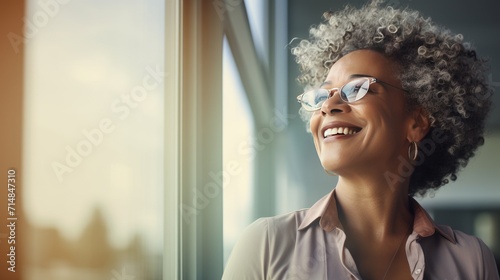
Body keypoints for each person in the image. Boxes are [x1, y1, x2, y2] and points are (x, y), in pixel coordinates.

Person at [222, 1, 499, 279]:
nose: (328, 106)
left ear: (416, 122)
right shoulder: (267, 245)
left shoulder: (471, 259)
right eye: (322, 95)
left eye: (356, 88)